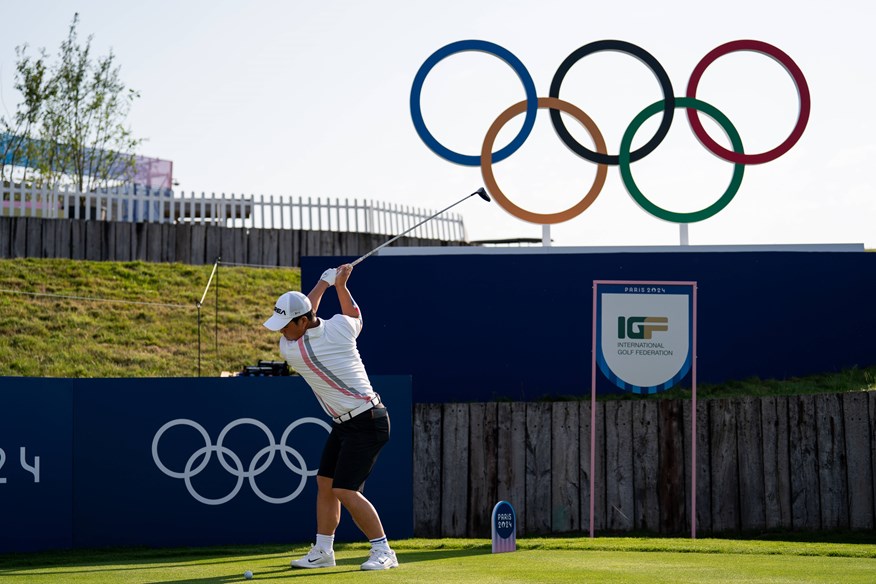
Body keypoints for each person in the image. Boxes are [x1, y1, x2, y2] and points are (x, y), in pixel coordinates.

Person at [263, 263, 398, 571]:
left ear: (300, 322)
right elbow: (353, 313)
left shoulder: (293, 349)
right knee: (325, 483)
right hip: (346, 423)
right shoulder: (340, 328)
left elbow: (314, 311)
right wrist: (339, 284)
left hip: (367, 420)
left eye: (284, 324)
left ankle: (384, 551)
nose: (280, 331)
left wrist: (323, 284)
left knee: (344, 490)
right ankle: (324, 550)